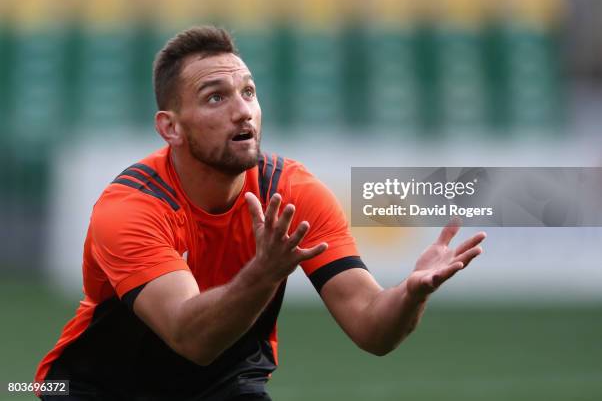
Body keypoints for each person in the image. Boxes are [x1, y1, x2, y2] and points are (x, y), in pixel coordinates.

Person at [35, 25, 486, 401]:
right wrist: (264, 271)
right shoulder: (132, 208)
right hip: (99, 388)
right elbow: (190, 338)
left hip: (224, 385)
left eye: (248, 92)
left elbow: (371, 327)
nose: (242, 111)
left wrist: (410, 294)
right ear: (170, 127)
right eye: (215, 98)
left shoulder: (291, 190)